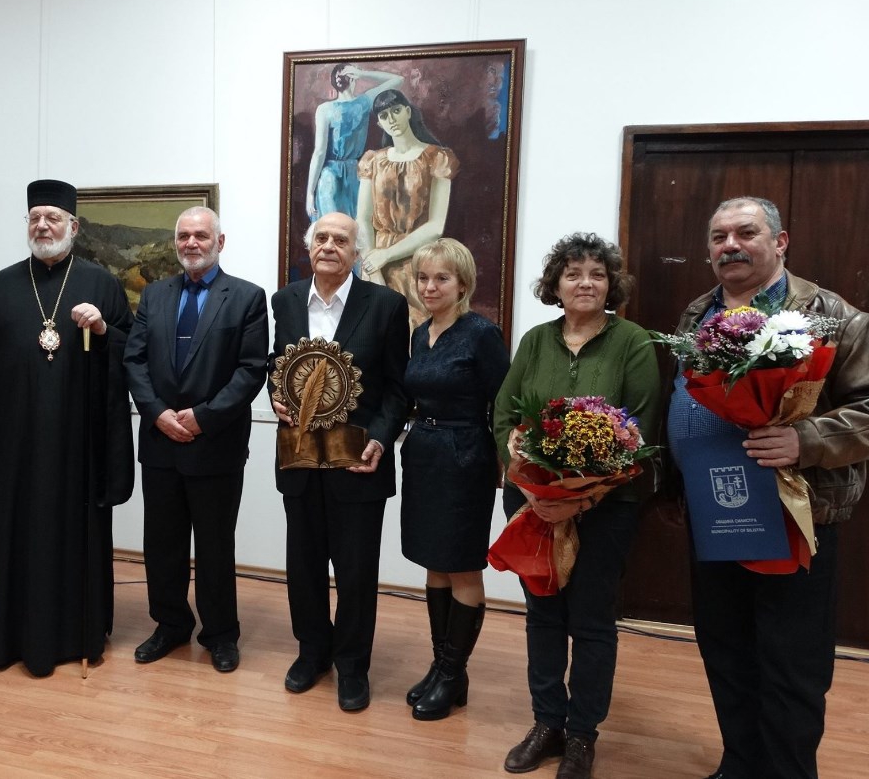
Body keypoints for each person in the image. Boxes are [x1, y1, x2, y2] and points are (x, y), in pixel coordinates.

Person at [666, 197, 869, 779]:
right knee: (725, 651)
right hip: (714, 512)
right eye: (719, 236)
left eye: (746, 233)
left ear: (780, 242)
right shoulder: (696, 314)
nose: (730, 244)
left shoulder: (834, 315)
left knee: (791, 664)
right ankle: (740, 764)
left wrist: (806, 440)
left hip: (796, 517)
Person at [494, 233, 661, 779]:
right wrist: (531, 486)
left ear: (611, 284)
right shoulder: (535, 341)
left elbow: (639, 431)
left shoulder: (632, 342)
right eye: (573, 273)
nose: (585, 283)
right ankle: (547, 723)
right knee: (542, 614)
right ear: (556, 285)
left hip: (607, 507)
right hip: (532, 504)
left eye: (597, 274)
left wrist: (581, 497)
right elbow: (504, 416)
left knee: (591, 620)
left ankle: (583, 734)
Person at [0, 179, 134, 677]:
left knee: (76, 542)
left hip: (78, 449)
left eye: (53, 217)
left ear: (73, 226)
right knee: (19, 541)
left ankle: (79, 634)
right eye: (35, 218)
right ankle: (13, 638)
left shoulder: (101, 284)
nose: (43, 226)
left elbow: (131, 353)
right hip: (16, 451)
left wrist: (104, 331)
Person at [270, 211, 410, 712]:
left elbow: (398, 388)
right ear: (310, 247)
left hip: (358, 457)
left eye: (341, 240)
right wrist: (275, 396)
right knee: (303, 565)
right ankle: (312, 653)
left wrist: (381, 439)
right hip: (300, 455)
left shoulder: (387, 305)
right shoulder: (285, 301)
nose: (329, 246)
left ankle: (352, 666)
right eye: (321, 238)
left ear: (356, 252)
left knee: (355, 571)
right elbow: (278, 366)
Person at [123, 206, 268, 673]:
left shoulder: (246, 297)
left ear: (219, 242)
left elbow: (251, 370)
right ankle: (169, 625)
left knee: (214, 547)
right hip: (160, 443)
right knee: (161, 544)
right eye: (183, 235)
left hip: (216, 445)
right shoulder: (155, 295)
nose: (191, 243)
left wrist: (204, 417)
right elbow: (134, 361)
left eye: (201, 235)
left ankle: (221, 634)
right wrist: (157, 413)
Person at [400, 238, 509, 721]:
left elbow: (503, 401)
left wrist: (509, 462)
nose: (430, 286)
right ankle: (443, 668)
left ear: (462, 284)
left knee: (462, 565)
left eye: (441, 278)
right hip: (423, 455)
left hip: (465, 458)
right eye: (423, 278)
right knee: (434, 562)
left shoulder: (481, 334)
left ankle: (451, 673)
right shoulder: (419, 332)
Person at [355, 89, 459, 328]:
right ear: (379, 123)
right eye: (384, 116)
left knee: (417, 331)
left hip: (420, 261)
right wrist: (373, 268)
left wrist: (386, 255)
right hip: (375, 262)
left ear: (408, 112)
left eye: (396, 111)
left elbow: (435, 227)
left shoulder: (437, 157)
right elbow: (363, 219)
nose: (391, 119)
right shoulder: (372, 160)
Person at [304, 63, 404, 221]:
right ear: (352, 79)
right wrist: (362, 73)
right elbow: (398, 79)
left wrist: (310, 192)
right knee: (352, 226)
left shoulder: (325, 109)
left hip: (334, 176)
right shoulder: (364, 102)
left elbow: (320, 153)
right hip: (352, 175)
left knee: (334, 226)